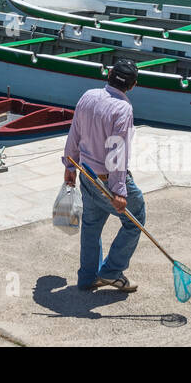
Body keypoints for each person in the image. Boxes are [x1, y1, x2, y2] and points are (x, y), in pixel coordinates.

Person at [62, 58, 146, 293]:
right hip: (108, 180)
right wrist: (119, 191)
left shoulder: (88, 96)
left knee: (91, 225)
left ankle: (88, 277)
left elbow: (74, 133)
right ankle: (111, 272)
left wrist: (69, 166)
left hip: (86, 174)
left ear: (108, 75)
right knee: (135, 220)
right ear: (133, 85)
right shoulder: (123, 108)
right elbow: (116, 153)